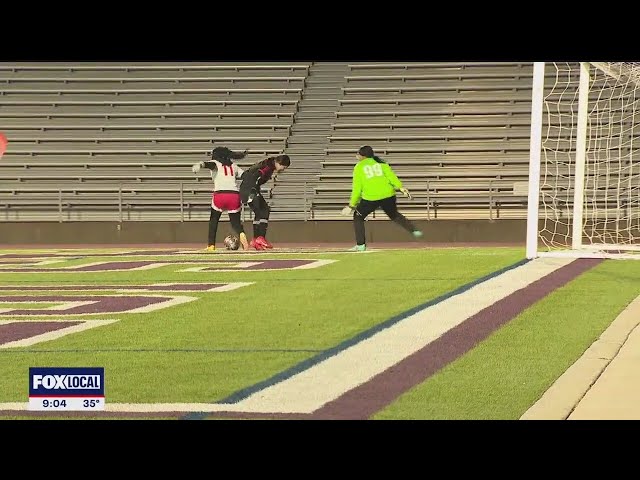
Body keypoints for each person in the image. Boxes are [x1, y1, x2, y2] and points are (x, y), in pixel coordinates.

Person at [340, 145, 423, 251]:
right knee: (394, 215)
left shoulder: (359, 167)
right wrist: (401, 187)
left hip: (371, 197)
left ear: (363, 156)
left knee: (358, 216)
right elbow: (391, 176)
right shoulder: (382, 163)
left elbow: (357, 188)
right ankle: (414, 230)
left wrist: (351, 205)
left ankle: (360, 245)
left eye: (358, 154)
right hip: (388, 195)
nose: (357, 156)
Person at [191, 146, 250, 252]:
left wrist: (200, 164)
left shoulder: (216, 163)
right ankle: (241, 234)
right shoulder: (234, 166)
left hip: (220, 195)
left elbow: (209, 164)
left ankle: (211, 245)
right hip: (234, 195)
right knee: (236, 223)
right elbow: (246, 176)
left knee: (213, 221)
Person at [239, 154, 290, 250]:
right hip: (250, 189)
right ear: (279, 163)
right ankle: (260, 237)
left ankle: (255, 239)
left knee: (260, 211)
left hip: (248, 188)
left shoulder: (268, 164)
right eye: (284, 167)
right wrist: (253, 191)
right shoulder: (268, 167)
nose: (283, 169)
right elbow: (256, 176)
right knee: (263, 210)